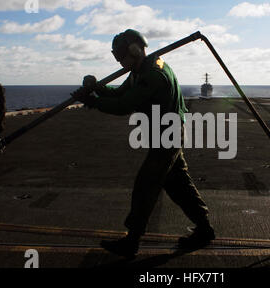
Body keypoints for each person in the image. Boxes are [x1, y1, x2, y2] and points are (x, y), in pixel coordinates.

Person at [72, 29, 215, 258]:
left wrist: (91, 101)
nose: (118, 60)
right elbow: (119, 93)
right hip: (165, 134)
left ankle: (132, 242)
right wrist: (97, 88)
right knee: (179, 185)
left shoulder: (153, 74)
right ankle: (205, 230)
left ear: (134, 50)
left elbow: (123, 105)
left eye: (120, 54)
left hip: (168, 135)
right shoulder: (139, 70)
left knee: (145, 186)